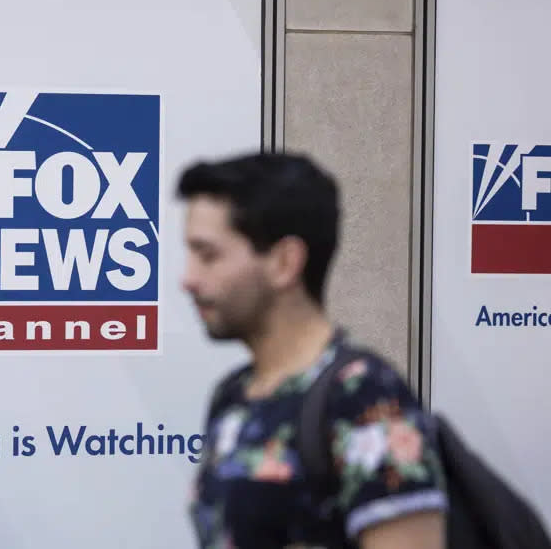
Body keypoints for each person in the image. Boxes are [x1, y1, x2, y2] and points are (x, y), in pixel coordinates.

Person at [179, 152, 447, 549]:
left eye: (209, 255)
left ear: (284, 263)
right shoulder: (232, 396)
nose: (188, 279)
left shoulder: (365, 398)